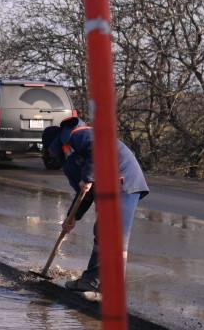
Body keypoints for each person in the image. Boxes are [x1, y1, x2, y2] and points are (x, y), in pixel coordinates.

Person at [42, 117, 148, 298]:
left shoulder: (76, 135)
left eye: (49, 151)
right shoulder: (70, 160)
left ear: (53, 144)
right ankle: (103, 283)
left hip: (122, 180)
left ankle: (95, 282)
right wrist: (72, 217)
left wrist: (89, 177)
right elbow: (84, 195)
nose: (50, 155)